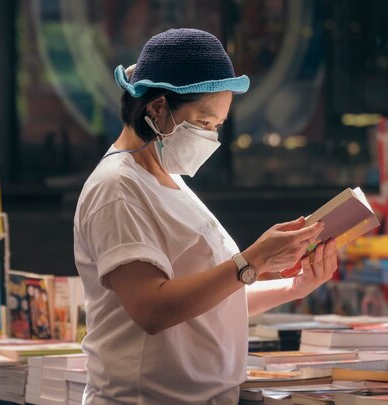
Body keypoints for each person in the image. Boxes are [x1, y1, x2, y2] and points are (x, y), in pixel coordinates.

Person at [73, 28, 338, 405]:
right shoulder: (117, 189)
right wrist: (253, 259)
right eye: (203, 122)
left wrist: (293, 288)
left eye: (217, 126)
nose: (211, 137)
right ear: (158, 109)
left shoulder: (170, 181)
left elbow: (210, 302)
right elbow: (153, 309)